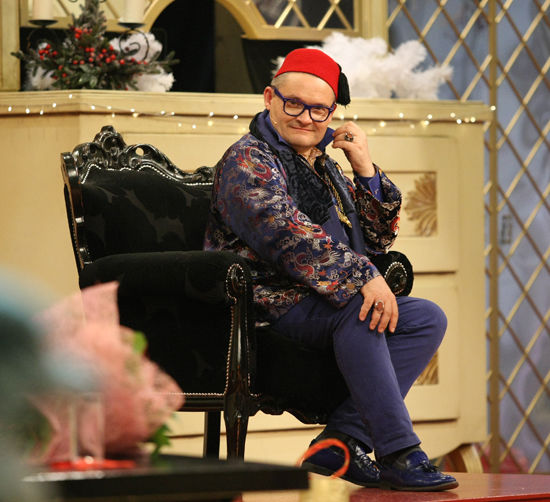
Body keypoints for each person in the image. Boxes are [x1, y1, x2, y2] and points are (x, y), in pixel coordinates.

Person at [204, 48, 458, 491]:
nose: (306, 118)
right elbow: (284, 234)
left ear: (332, 113)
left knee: (425, 318)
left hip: (322, 297)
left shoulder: (323, 163)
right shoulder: (248, 159)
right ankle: (399, 452)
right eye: (294, 104)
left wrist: (365, 170)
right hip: (268, 301)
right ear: (270, 99)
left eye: (318, 109)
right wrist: (363, 278)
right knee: (359, 310)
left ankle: (340, 442)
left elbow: (377, 239)